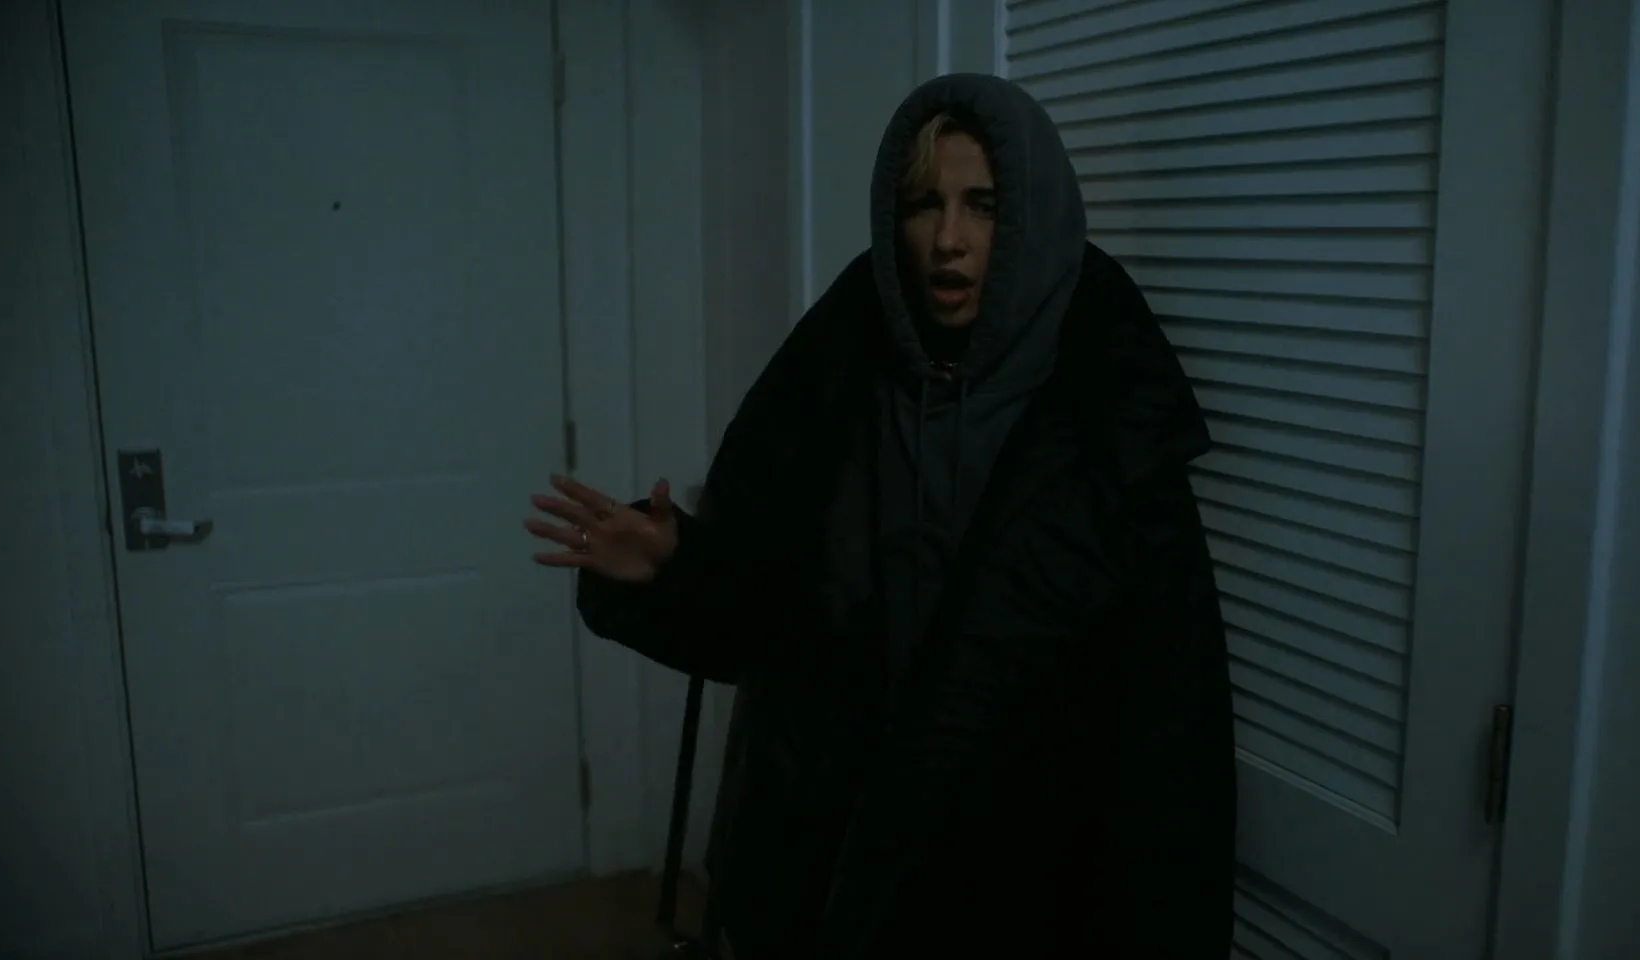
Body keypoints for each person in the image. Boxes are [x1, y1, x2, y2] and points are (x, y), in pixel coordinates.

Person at [525, 73, 1234, 960]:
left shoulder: (1110, 407)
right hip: (826, 861)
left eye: (983, 206)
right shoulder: (832, 377)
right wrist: (676, 564)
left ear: (1036, 218)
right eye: (922, 204)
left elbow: (1172, 732)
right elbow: (761, 618)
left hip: (1026, 883)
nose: (948, 240)